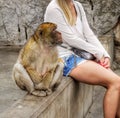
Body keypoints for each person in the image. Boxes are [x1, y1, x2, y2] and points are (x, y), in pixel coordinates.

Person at [44, 0, 120, 118]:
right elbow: (70, 39)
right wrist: (98, 53)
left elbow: (88, 34)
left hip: (79, 54)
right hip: (63, 58)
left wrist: (104, 55)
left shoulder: (77, 6)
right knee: (116, 82)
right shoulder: (54, 8)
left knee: (118, 84)